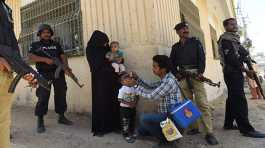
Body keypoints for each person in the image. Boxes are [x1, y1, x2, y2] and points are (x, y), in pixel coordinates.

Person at [170, 22, 218, 145]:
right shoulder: (175, 47)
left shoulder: (196, 42)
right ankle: (194, 127)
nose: (185, 30)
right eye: (182, 29)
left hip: (196, 74)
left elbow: (202, 58)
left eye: (186, 28)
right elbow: (171, 63)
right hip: (182, 76)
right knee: (186, 104)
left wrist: (201, 72)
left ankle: (209, 133)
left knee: (202, 103)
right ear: (178, 32)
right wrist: (177, 74)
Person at [218, 18, 265, 138]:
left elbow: (241, 52)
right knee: (240, 100)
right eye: (231, 24)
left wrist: (248, 58)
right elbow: (231, 59)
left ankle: (228, 124)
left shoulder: (234, 39)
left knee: (232, 98)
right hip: (232, 73)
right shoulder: (226, 39)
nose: (235, 26)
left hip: (235, 72)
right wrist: (245, 70)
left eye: (235, 24)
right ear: (226, 26)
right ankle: (246, 129)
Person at [0, 0, 36, 147]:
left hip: (6, 75)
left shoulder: (6, 7)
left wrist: (24, 71)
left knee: (3, 122)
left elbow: (11, 45)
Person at [28, 24, 73, 134]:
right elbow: (30, 56)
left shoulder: (56, 44)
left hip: (58, 72)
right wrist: (44, 59)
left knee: (61, 93)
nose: (46, 34)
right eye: (44, 32)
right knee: (43, 96)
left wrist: (66, 67)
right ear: (40, 34)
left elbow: (62, 56)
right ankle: (40, 120)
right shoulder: (35, 44)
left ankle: (61, 116)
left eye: (48, 32)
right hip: (43, 74)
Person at [134, 55, 180, 148]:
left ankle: (167, 142)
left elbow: (152, 96)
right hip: (167, 115)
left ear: (163, 69)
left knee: (143, 118)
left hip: (171, 117)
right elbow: (151, 86)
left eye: (155, 66)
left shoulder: (169, 81)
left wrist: (135, 87)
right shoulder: (166, 78)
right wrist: (137, 80)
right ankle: (169, 136)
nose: (153, 68)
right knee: (141, 129)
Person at [86, 30, 121, 137]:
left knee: (113, 101)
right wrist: (106, 60)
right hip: (99, 81)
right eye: (104, 42)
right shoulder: (91, 49)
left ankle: (114, 126)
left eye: (106, 42)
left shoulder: (105, 49)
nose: (106, 44)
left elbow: (115, 57)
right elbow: (95, 64)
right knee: (101, 103)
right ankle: (101, 129)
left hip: (112, 80)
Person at [118, 72, 139, 143]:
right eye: (126, 80)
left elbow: (137, 96)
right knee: (125, 122)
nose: (128, 81)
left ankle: (132, 132)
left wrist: (135, 103)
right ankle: (125, 134)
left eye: (129, 79)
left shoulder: (134, 88)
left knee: (132, 120)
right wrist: (129, 103)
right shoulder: (122, 89)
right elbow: (120, 99)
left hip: (133, 108)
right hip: (124, 109)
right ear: (122, 82)